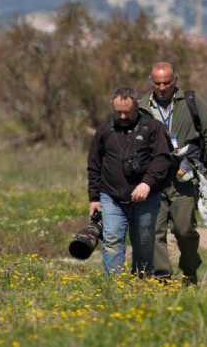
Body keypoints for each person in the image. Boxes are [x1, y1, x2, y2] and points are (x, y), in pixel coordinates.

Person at [138, 62, 207, 286]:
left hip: (184, 177)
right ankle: (162, 279)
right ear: (151, 83)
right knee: (154, 231)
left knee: (184, 229)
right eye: (157, 83)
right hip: (154, 180)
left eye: (166, 83)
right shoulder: (141, 108)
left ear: (175, 81)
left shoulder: (192, 102)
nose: (162, 87)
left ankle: (190, 271)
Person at [87, 87, 173, 276]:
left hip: (146, 198)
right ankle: (115, 287)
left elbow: (162, 159)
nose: (123, 116)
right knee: (111, 241)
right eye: (118, 112)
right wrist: (94, 198)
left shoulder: (152, 127)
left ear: (137, 104)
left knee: (143, 244)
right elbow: (94, 165)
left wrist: (147, 183)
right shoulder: (104, 131)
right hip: (111, 197)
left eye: (127, 111)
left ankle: (140, 285)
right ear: (112, 106)